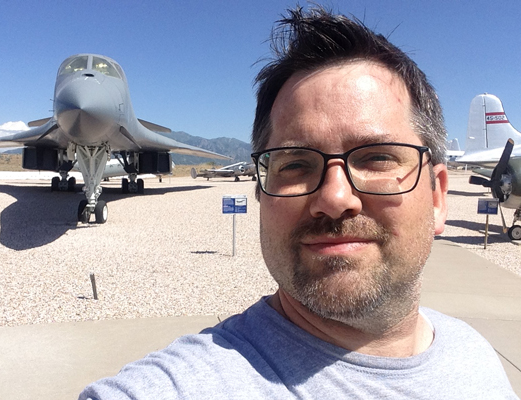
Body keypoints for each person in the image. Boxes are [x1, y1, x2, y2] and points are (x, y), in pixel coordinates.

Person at [79, 6, 518, 399]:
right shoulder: (178, 386)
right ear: (260, 192)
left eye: (377, 157)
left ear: (438, 197)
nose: (334, 197)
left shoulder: (474, 356)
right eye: (293, 164)